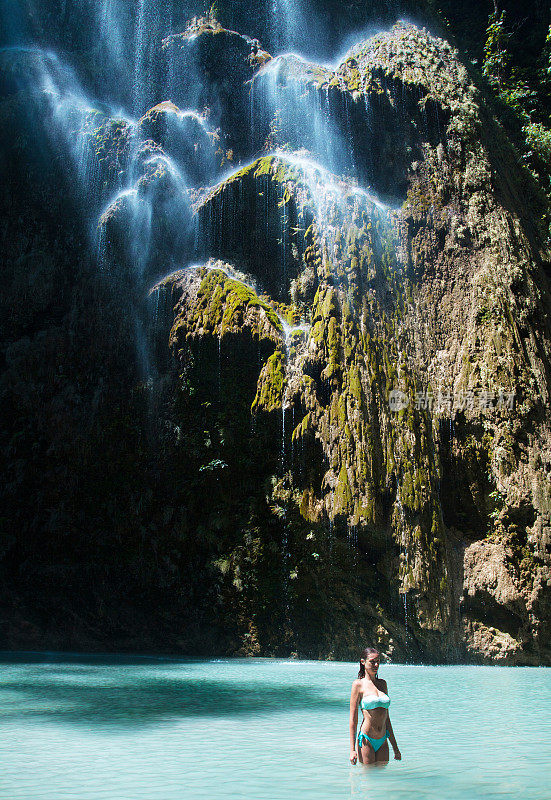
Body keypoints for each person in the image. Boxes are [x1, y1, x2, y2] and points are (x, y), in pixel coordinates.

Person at [349, 646, 401, 765]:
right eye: (372, 662)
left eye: (378, 662)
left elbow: (387, 718)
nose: (376, 665)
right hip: (367, 739)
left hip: (383, 740)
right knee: (368, 780)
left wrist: (395, 747)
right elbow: (353, 720)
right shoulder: (358, 685)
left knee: (382, 779)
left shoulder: (382, 684)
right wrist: (352, 750)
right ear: (363, 662)